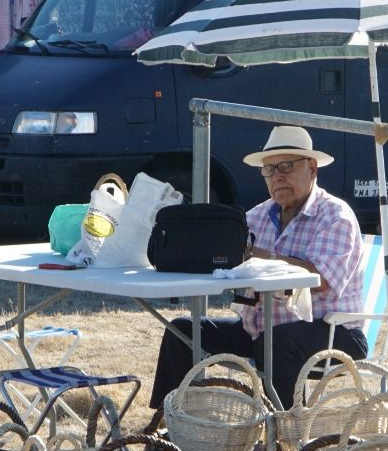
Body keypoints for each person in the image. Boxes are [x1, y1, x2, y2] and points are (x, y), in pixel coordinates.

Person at [148, 125, 368, 410]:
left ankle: (289, 437)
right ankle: (169, 427)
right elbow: (227, 259)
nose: (278, 176)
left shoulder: (336, 216)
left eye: (287, 166)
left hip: (333, 333)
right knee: (182, 331)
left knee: (275, 343)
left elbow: (319, 280)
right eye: (269, 169)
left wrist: (257, 256)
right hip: (260, 331)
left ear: (312, 169)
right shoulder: (256, 216)